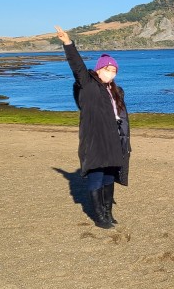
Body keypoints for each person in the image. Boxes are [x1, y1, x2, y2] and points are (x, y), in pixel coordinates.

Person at [55, 25, 131, 229]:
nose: (112, 74)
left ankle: (108, 213)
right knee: (96, 175)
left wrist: (125, 140)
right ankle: (99, 216)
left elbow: (121, 117)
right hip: (95, 138)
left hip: (113, 138)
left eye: (114, 71)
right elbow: (77, 65)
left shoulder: (115, 90)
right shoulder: (88, 84)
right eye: (109, 69)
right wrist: (68, 43)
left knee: (109, 176)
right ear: (100, 69)